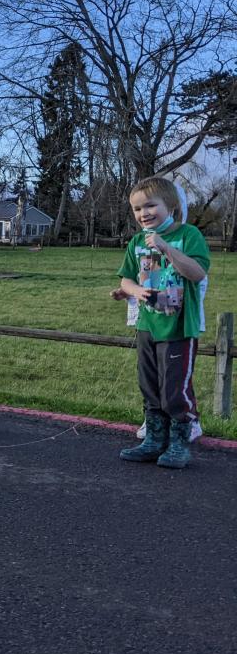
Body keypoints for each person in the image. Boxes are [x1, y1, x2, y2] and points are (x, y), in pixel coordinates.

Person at [116, 176, 210, 469]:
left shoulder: (189, 235)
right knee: (150, 386)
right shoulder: (135, 242)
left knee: (174, 390)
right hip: (147, 327)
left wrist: (165, 247)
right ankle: (154, 440)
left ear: (169, 205)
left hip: (179, 329)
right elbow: (127, 278)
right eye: (137, 209)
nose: (143, 213)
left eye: (150, 206)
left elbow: (196, 273)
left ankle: (179, 443)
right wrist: (132, 291)